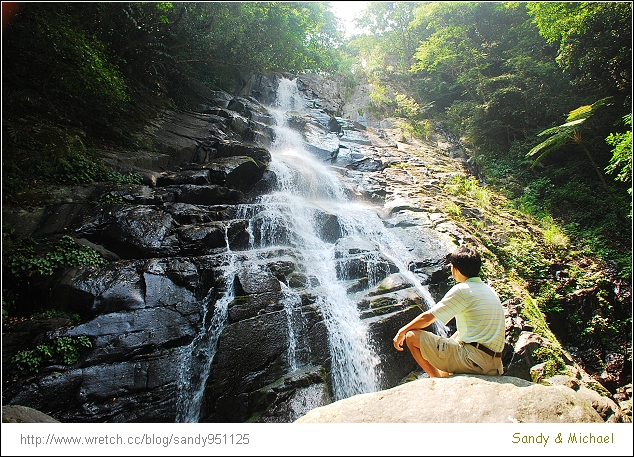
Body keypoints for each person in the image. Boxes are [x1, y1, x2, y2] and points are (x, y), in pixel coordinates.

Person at [393, 246, 505, 377]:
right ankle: (441, 376)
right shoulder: (489, 290)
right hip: (494, 365)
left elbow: (428, 317)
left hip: (473, 361)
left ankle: (436, 381)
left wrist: (402, 331)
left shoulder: (462, 290)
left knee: (411, 336)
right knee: (457, 336)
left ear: (455, 269)